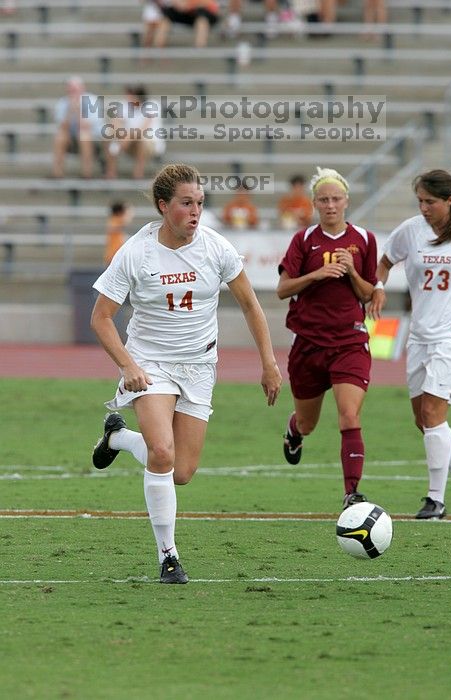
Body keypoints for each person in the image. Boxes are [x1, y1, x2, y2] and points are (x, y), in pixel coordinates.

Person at [90, 163, 282, 583]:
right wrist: (128, 366)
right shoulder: (136, 252)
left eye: (199, 203)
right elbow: (101, 318)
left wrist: (268, 362)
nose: (195, 212)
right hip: (150, 365)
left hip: (199, 367)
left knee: (181, 472)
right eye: (186, 204)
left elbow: (251, 305)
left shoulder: (216, 248)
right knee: (162, 453)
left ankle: (117, 437)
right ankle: (168, 556)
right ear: (163, 206)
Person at [277, 167, 378, 509]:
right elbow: (282, 289)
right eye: (324, 199)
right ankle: (294, 432)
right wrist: (317, 273)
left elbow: (368, 292)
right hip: (308, 343)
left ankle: (352, 493)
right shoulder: (304, 240)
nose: (331, 205)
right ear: (315, 203)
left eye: (336, 199)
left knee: (349, 415)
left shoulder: (364, 239)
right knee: (308, 423)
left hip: (350, 342)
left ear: (346, 200)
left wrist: (351, 271)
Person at [369, 169, 451, 519]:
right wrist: (378, 287)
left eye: (430, 202)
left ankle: (435, 501)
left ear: (449, 201)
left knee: (432, 413)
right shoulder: (411, 230)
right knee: (423, 420)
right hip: (420, 334)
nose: (423, 208)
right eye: (420, 201)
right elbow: (384, 262)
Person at [105, 84, 166, 180]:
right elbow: (115, 123)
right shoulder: (126, 104)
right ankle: (111, 174)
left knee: (141, 140)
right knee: (110, 133)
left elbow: (142, 130)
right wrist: (124, 134)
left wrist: (126, 136)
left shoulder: (152, 105)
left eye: (130, 95)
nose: (127, 98)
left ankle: (137, 175)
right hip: (128, 142)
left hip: (150, 144)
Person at [51, 76, 102, 179]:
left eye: (75, 89)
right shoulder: (63, 102)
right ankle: (57, 173)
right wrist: (70, 111)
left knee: (84, 135)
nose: (73, 92)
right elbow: (62, 126)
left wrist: (78, 110)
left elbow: (87, 126)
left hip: (93, 138)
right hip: (71, 138)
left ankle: (87, 174)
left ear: (82, 89)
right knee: (60, 137)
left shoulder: (92, 101)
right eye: (71, 89)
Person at [154, 0, 220, 49]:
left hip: (203, 14)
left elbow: (209, 4)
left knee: (202, 20)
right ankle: (159, 49)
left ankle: (199, 49)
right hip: (186, 13)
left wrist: (189, 5)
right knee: (166, 17)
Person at [104, 201, 134, 266]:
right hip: (114, 255)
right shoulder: (115, 221)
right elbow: (127, 219)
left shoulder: (115, 220)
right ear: (119, 212)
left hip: (116, 254)